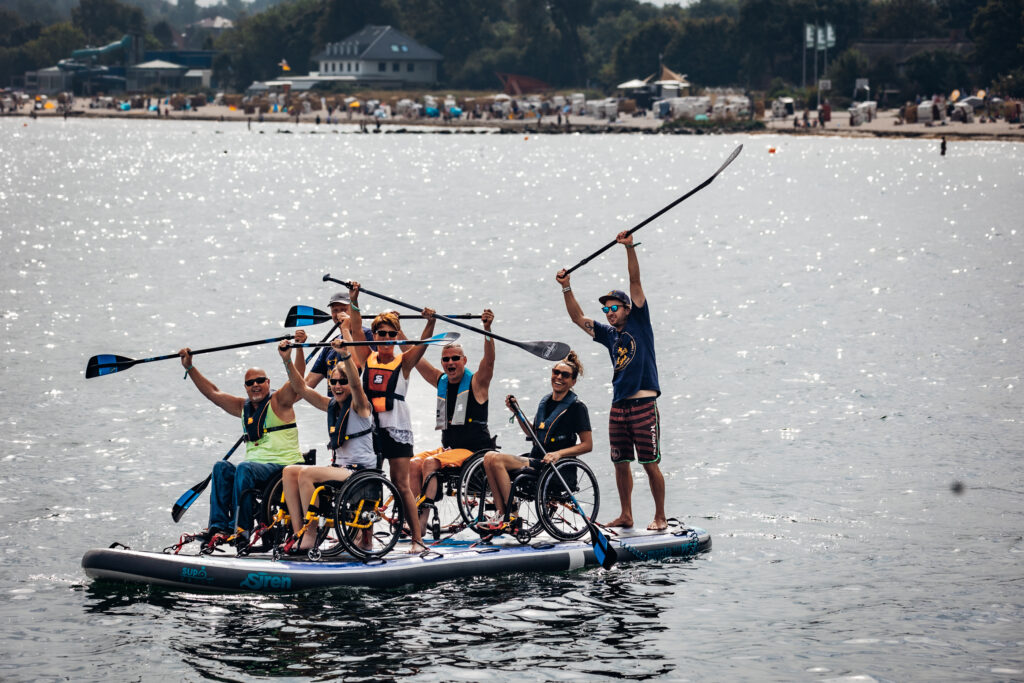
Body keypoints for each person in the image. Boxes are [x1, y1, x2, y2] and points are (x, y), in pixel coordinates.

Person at [555, 230, 667, 531]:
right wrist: (566, 288)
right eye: (605, 309)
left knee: (649, 462)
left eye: (613, 307)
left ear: (627, 308)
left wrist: (629, 248)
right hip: (619, 407)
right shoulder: (609, 335)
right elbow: (578, 318)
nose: (609, 312)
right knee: (620, 462)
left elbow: (634, 282)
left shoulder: (640, 321)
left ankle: (660, 516)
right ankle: (626, 514)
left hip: (644, 403)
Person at [178, 329, 308, 550]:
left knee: (244, 468)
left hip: (283, 467)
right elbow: (213, 393)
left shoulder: (279, 402)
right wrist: (190, 368)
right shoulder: (242, 407)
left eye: (259, 381)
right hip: (253, 470)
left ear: (268, 382)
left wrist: (296, 351)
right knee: (221, 467)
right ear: (245, 387)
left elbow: (298, 383)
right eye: (250, 383)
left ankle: (242, 529)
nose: (255, 385)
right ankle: (218, 527)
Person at [347, 285, 436, 552]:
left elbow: (423, 345)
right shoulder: (366, 355)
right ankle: (365, 538)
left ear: (397, 336)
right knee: (370, 483)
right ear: (373, 335)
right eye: (381, 333)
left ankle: (418, 540)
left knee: (401, 484)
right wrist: (354, 300)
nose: (386, 338)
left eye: (391, 334)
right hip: (370, 430)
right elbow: (354, 328)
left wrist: (429, 323)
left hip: (396, 428)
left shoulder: (404, 362)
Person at [278, 325, 378, 552]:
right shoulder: (331, 405)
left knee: (306, 473)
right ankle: (298, 532)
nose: (337, 386)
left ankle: (311, 535)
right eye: (333, 382)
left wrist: (345, 355)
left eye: (341, 382)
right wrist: (287, 360)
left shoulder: (360, 405)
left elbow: (355, 382)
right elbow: (301, 389)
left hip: (359, 471)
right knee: (289, 471)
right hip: (339, 468)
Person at [481, 351, 592, 529]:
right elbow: (534, 434)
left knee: (497, 459)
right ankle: (503, 514)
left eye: (565, 375)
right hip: (537, 460)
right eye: (556, 372)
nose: (559, 377)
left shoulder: (577, 408)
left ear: (573, 381)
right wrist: (517, 413)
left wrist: (558, 454)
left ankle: (512, 516)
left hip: (557, 469)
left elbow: (587, 445)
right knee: (489, 457)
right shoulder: (545, 402)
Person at [409, 309, 496, 515]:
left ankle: (422, 520)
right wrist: (403, 329)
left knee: (430, 463)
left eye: (455, 358)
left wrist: (487, 329)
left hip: (474, 452)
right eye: (446, 360)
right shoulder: (441, 381)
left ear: (464, 360)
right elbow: (414, 356)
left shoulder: (477, 383)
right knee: (412, 464)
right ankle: (411, 516)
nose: (450, 363)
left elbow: (489, 361)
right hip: (449, 450)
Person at [305, 290, 374, 392]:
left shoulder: (366, 335)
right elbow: (309, 382)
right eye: (335, 310)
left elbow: (357, 364)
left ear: (351, 311)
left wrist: (345, 329)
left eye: (343, 309)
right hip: (335, 404)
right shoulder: (330, 346)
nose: (338, 314)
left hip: (357, 404)